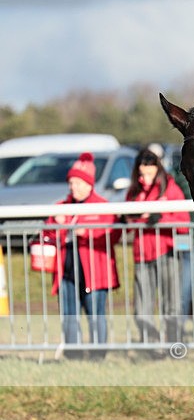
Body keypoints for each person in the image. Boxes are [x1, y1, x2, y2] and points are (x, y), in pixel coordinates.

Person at [43, 152, 120, 359]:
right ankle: (73, 354)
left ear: (88, 184)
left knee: (96, 315)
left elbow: (112, 233)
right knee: (69, 315)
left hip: (95, 272)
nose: (73, 187)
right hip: (66, 270)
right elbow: (47, 232)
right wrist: (56, 225)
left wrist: (84, 232)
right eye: (71, 182)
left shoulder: (102, 206)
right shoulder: (61, 207)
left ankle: (97, 355)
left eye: (77, 182)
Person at [125, 147, 190, 346]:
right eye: (142, 174)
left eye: (150, 173)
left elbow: (183, 220)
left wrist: (160, 218)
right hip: (142, 254)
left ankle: (173, 343)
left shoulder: (169, 188)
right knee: (142, 305)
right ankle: (151, 344)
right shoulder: (134, 192)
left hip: (167, 252)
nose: (145, 178)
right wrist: (141, 220)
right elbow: (127, 220)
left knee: (171, 302)